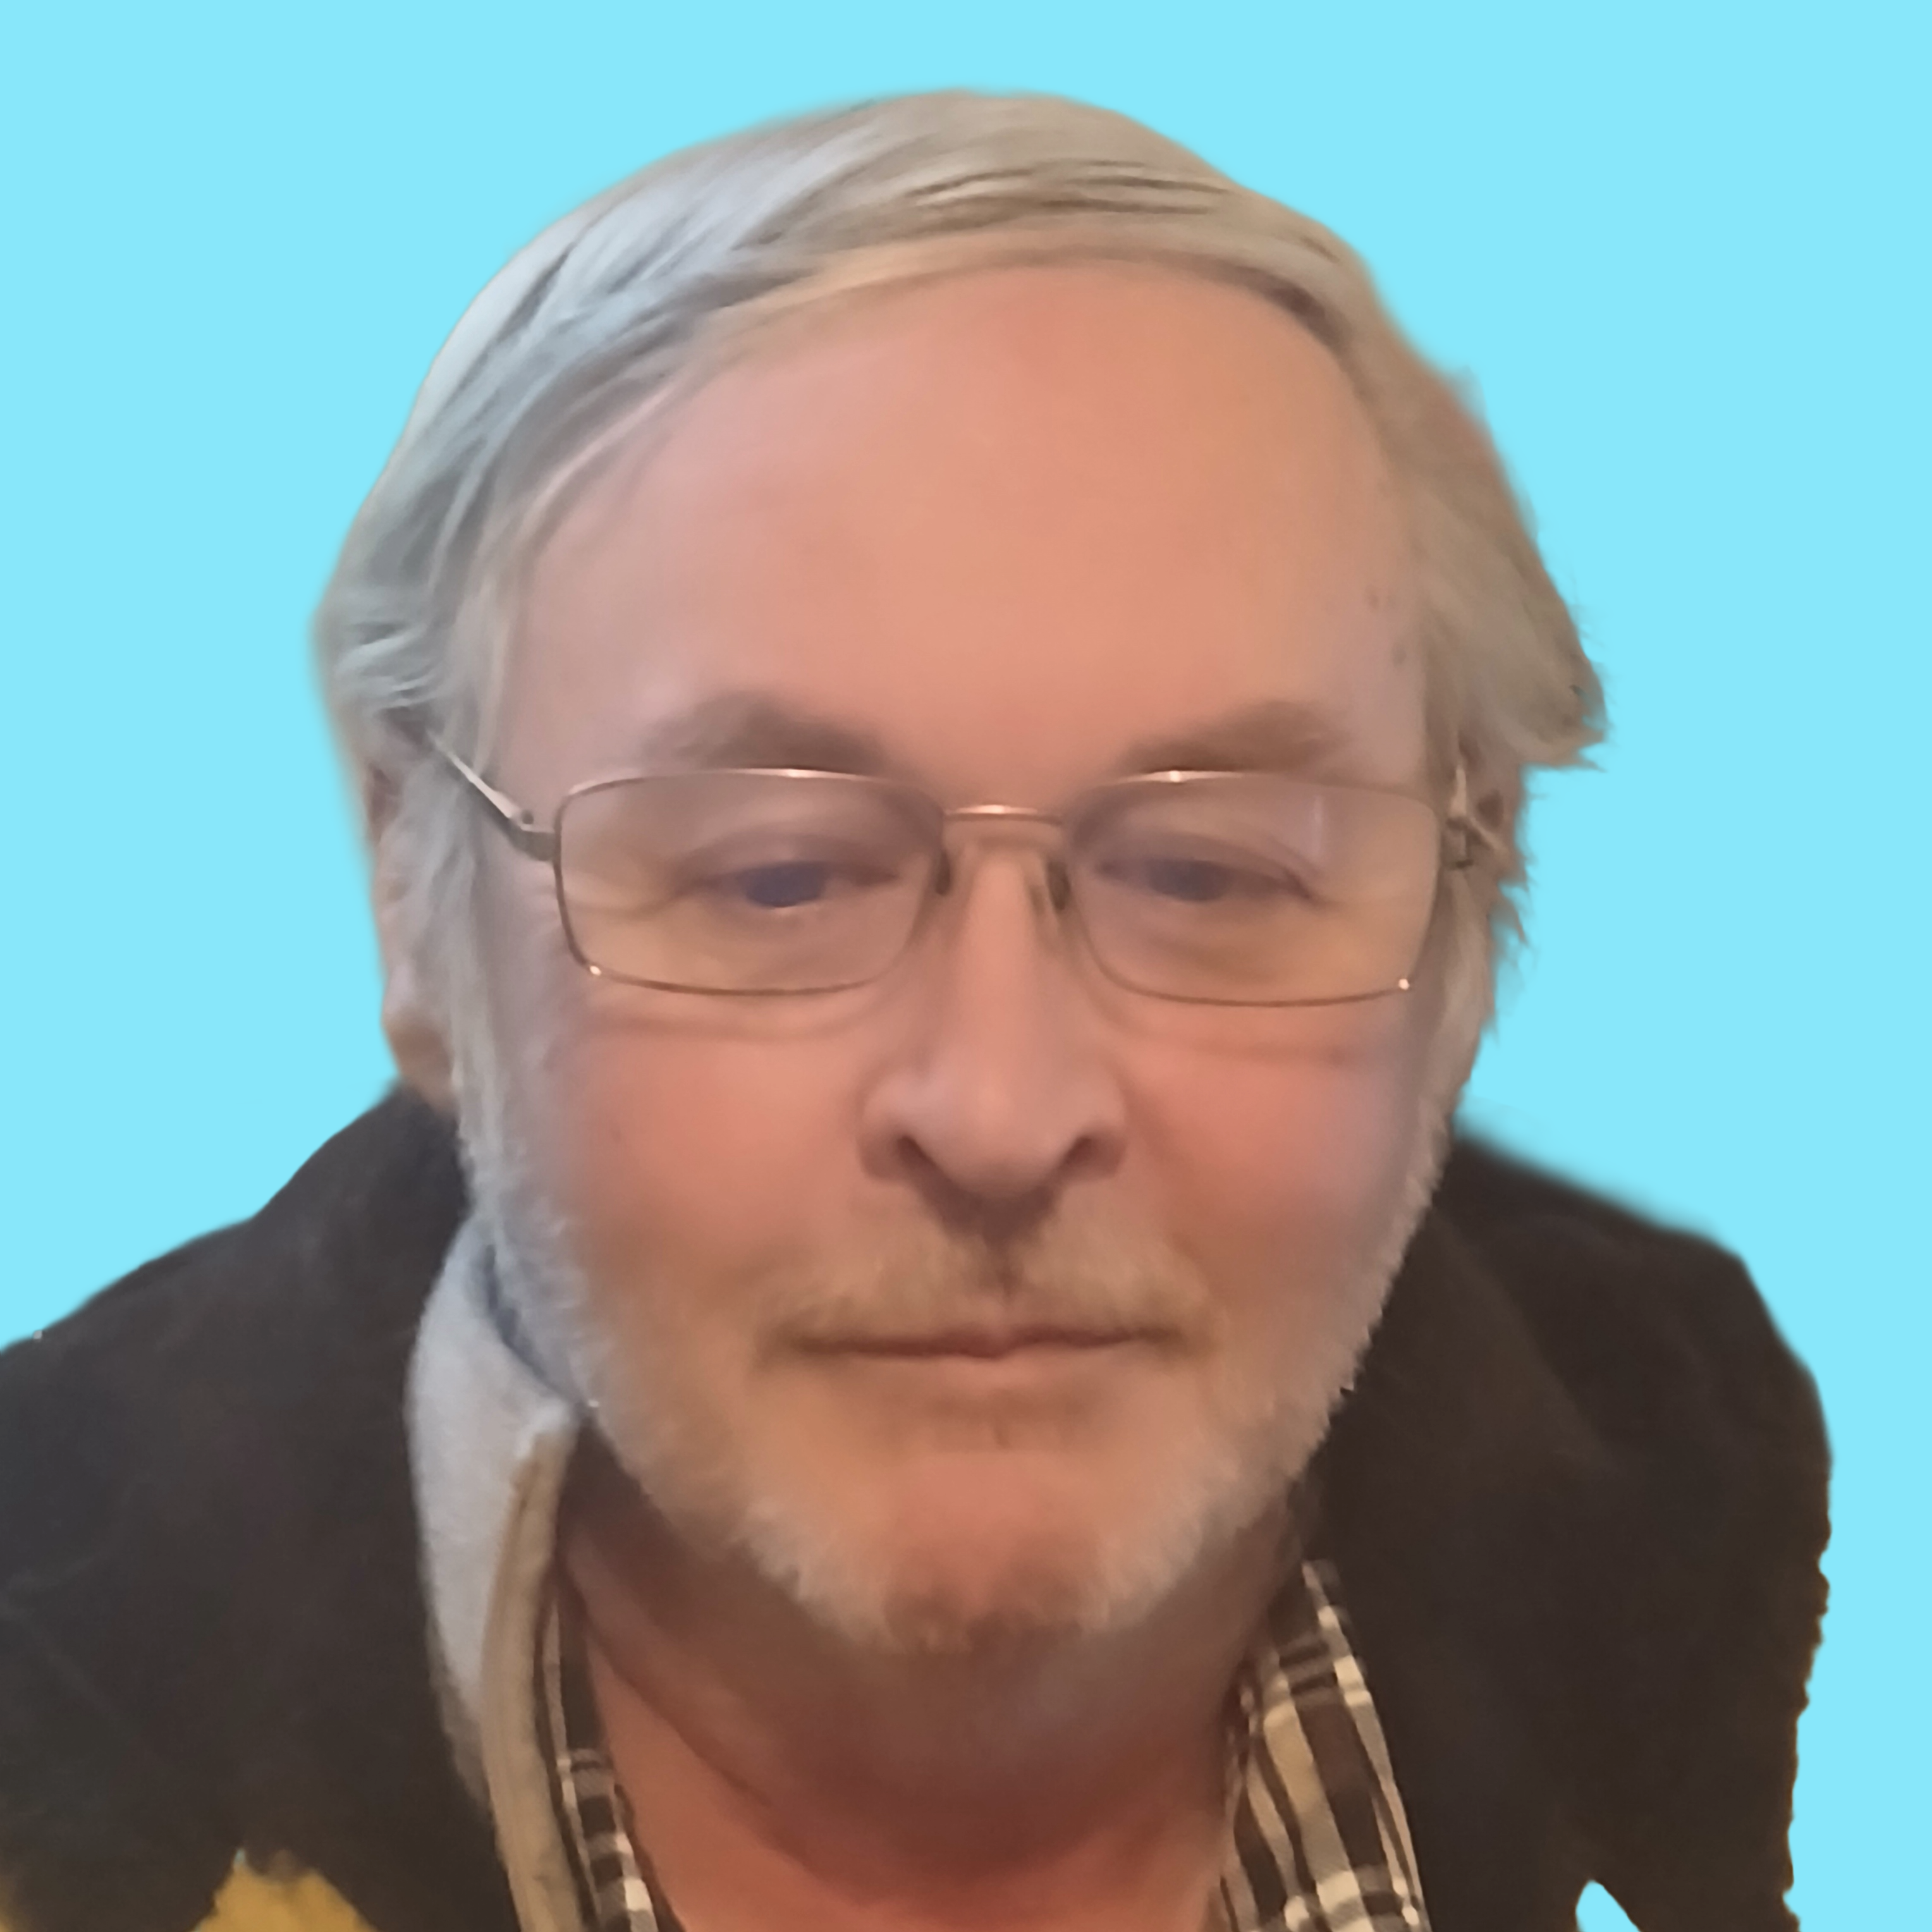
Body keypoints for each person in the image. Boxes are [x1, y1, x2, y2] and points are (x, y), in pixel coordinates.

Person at [0, 90, 1828, 1932]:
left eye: (1211, 875)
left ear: (1466, 900)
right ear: (417, 890)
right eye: (777, 877)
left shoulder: (1712, 1518)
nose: (999, 1110)